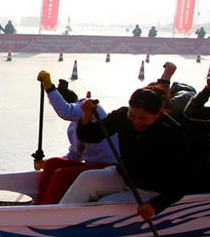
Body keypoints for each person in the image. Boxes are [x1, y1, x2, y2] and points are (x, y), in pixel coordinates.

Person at [60, 87, 190, 221]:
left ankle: (70, 226)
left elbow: (183, 181)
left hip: (150, 191)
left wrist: (155, 205)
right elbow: (90, 135)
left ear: (159, 113)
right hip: (122, 176)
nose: (136, 122)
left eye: (143, 118)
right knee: (86, 179)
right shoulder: (123, 115)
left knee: (102, 205)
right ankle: (58, 219)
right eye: (132, 115)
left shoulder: (172, 132)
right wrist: (86, 114)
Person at [35, 71, 117, 204]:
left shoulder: (89, 107)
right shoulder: (74, 126)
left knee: (62, 175)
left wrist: (49, 88)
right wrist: (46, 162)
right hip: (93, 165)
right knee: (53, 164)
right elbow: (75, 155)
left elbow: (65, 111)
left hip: (109, 166)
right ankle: (41, 204)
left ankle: (49, 210)